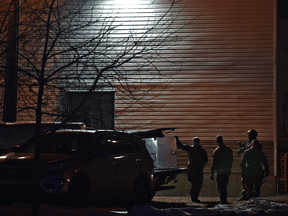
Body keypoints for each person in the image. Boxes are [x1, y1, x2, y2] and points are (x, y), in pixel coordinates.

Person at [175, 136, 208, 203]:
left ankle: (195, 196)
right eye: (196, 141)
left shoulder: (201, 150)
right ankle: (194, 197)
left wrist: (202, 163)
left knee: (199, 183)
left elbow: (206, 159)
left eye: (198, 141)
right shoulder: (190, 148)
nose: (197, 143)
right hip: (193, 169)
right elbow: (181, 146)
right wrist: (177, 140)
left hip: (198, 169)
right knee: (195, 183)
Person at [237, 129, 262, 200]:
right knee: (246, 183)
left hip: (254, 167)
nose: (248, 136)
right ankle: (245, 195)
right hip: (249, 167)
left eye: (249, 134)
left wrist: (243, 149)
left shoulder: (256, 143)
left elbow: (251, 150)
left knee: (253, 184)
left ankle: (254, 197)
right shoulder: (250, 142)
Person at [210, 135, 234, 204]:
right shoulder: (228, 150)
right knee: (224, 185)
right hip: (226, 171)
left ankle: (223, 200)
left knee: (220, 186)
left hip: (219, 171)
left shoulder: (216, 151)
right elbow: (231, 160)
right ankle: (224, 200)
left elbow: (214, 163)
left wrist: (212, 173)